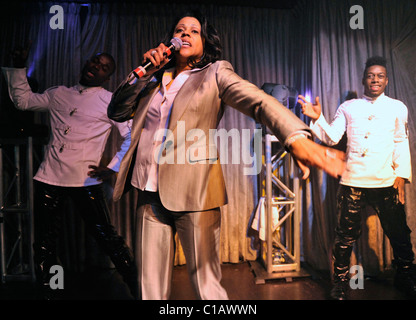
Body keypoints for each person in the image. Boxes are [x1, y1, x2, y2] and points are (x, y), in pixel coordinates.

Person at [107, 10, 345, 300]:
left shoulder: (215, 72)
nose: (184, 34)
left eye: (193, 31)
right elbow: (116, 111)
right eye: (180, 30)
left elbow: (258, 101)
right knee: (149, 288)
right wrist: (142, 73)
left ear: (205, 42)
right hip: (148, 192)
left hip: (196, 193)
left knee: (206, 286)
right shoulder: (154, 81)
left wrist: (294, 135)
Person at [2, 46, 138, 299]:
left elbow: (131, 135)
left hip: (84, 180)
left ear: (107, 78)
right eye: (95, 61)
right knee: (45, 243)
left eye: (104, 67)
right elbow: (23, 101)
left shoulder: (109, 101)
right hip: (49, 178)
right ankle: (53, 292)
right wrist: (19, 68)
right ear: (86, 63)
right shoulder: (59, 94)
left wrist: (113, 166)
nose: (96, 66)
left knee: (106, 237)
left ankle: (140, 290)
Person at [299, 56, 416, 300]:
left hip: (385, 181)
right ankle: (340, 283)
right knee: (344, 237)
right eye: (371, 75)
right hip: (352, 181)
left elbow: (401, 141)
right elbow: (331, 138)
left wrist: (402, 177)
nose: (375, 79)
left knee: (399, 234)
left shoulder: (397, 107)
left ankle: (405, 277)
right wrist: (317, 117)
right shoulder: (348, 107)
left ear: (386, 80)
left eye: (380, 75)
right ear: (364, 79)